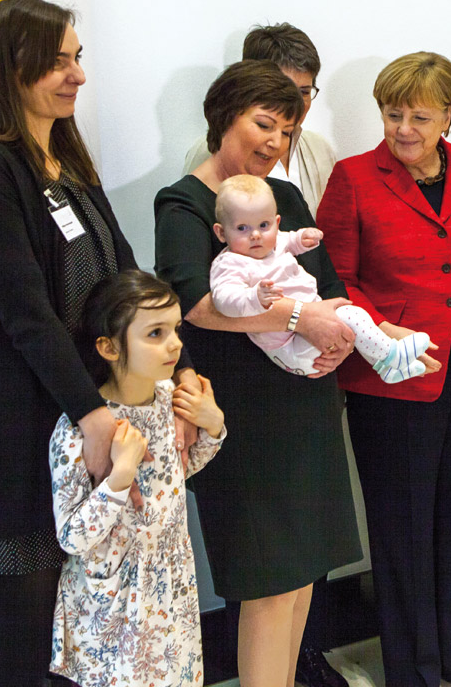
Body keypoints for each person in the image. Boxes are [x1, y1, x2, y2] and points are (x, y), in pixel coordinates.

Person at [0, 0, 199, 686]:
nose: (76, 74)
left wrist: (179, 375)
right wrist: (91, 414)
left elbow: (127, 292)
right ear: (7, 67)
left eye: (77, 58)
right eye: (56, 61)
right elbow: (25, 314)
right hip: (30, 441)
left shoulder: (71, 166)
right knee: (29, 646)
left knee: (98, 648)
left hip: (108, 433)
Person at [317, 52, 451, 687]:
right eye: (392, 113)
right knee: (403, 529)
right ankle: (413, 672)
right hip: (392, 378)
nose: (403, 128)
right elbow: (335, 283)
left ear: (449, 118)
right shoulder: (353, 178)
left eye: (419, 115)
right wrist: (380, 330)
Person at [155, 59, 360, 687]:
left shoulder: (288, 197)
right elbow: (194, 305)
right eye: (263, 124)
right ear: (224, 118)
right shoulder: (183, 204)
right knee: (268, 585)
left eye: (286, 132)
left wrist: (338, 341)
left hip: (305, 403)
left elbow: (328, 286)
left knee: (300, 579)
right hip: (241, 417)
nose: (274, 143)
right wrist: (301, 319)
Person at [50, 271, 226, 687]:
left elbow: (180, 471)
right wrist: (118, 479)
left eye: (176, 329)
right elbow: (72, 536)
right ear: (109, 347)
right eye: (155, 333)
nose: (176, 344)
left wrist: (214, 427)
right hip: (112, 607)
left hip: (172, 593)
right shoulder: (79, 430)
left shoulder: (171, 401)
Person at [209, 173, 431, 380]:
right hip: (289, 347)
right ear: (221, 232)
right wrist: (254, 298)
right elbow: (223, 300)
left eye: (263, 225)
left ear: (276, 223)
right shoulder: (230, 263)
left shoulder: (273, 243)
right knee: (352, 316)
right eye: (242, 228)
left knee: (353, 320)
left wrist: (303, 238)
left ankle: (385, 367)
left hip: (306, 331)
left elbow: (289, 240)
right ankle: (392, 355)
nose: (255, 235)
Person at [183, 23, 335, 217]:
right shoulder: (211, 152)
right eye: (284, 88)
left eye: (304, 92)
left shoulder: (320, 149)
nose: (295, 103)